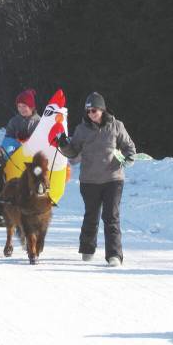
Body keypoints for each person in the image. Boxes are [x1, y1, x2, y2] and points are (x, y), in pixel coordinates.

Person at [56, 92, 136, 267]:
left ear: (102, 109)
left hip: (113, 179)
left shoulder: (116, 126)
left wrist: (128, 158)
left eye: (94, 110)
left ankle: (114, 255)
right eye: (88, 111)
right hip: (89, 180)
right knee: (91, 215)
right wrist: (63, 145)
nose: (91, 114)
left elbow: (129, 147)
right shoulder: (82, 129)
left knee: (111, 216)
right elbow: (73, 152)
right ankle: (87, 248)